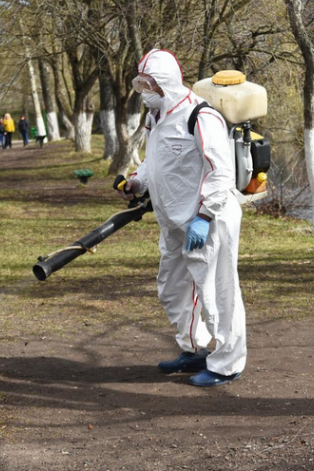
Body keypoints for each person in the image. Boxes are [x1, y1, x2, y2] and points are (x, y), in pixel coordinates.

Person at [115, 49, 246, 387]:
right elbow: (154, 161)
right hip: (173, 220)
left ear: (166, 83)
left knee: (217, 292)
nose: (144, 91)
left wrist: (204, 215)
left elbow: (221, 172)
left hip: (208, 220)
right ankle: (194, 348)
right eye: (140, 84)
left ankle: (227, 364)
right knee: (173, 289)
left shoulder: (200, 116)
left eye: (149, 84)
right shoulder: (155, 117)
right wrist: (137, 182)